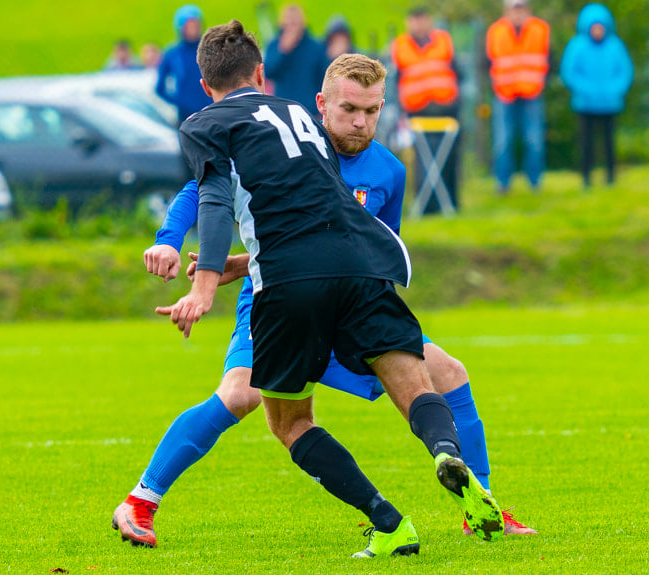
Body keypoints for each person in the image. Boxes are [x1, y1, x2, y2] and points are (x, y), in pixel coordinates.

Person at [111, 53, 535, 550]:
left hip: (350, 297)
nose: (360, 122)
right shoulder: (288, 141)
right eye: (349, 109)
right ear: (321, 105)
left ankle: (480, 504)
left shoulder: (389, 172)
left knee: (449, 372)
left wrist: (236, 262)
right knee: (240, 395)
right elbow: (204, 188)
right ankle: (143, 499)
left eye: (372, 111)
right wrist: (173, 239)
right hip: (275, 297)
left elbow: (366, 246)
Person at [391, 6, 461, 214]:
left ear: (429, 21)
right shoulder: (400, 46)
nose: (419, 24)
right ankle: (427, 206)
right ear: (408, 23)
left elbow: (457, 73)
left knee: (448, 158)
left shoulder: (444, 41)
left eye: (422, 19)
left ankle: (449, 203)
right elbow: (396, 80)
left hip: (445, 109)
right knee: (422, 159)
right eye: (415, 20)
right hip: (417, 111)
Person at [559, 3, 634, 188]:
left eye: (601, 27)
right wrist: (587, 90)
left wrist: (613, 90)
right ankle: (586, 177)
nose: (598, 31)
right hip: (585, 103)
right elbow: (569, 72)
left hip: (610, 103)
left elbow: (625, 72)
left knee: (609, 142)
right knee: (586, 143)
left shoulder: (615, 46)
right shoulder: (577, 46)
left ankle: (610, 177)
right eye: (595, 27)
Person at [485, 0, 550, 194]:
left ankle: (535, 182)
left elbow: (548, 58)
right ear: (506, 11)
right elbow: (487, 61)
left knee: (534, 140)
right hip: (504, 94)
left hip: (532, 92)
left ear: (528, 10)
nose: (518, 13)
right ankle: (502, 183)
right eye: (515, 9)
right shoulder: (495, 31)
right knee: (503, 141)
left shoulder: (540, 29)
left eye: (521, 9)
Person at [263, 4, 327, 120]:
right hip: (283, 110)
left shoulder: (315, 47)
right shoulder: (274, 45)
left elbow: (323, 78)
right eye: (289, 23)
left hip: (310, 111)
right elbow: (269, 72)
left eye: (295, 22)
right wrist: (283, 51)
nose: (292, 28)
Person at [155, 4, 213, 124]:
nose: (193, 29)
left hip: (212, 111)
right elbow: (159, 88)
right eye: (189, 26)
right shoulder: (173, 54)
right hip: (187, 116)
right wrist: (180, 102)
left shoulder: (210, 49)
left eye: (196, 25)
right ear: (181, 28)